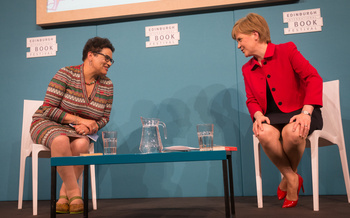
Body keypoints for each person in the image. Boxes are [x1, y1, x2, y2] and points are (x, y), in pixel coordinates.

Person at [231, 13, 323, 208]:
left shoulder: (287, 50)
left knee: (293, 132)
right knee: (263, 133)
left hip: (301, 112)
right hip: (272, 117)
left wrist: (306, 112)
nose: (238, 45)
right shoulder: (247, 69)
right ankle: (292, 177)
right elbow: (251, 99)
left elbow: (314, 78)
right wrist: (257, 115)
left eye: (240, 39)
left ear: (255, 34)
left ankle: (288, 180)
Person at [30, 37, 115, 214]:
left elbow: (104, 118)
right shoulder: (66, 73)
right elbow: (48, 109)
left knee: (83, 143)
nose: (109, 63)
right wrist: (80, 121)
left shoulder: (107, 85)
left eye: (111, 60)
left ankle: (63, 195)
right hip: (47, 123)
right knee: (61, 141)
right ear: (90, 55)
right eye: (106, 58)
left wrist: (91, 127)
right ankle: (75, 193)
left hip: (77, 131)